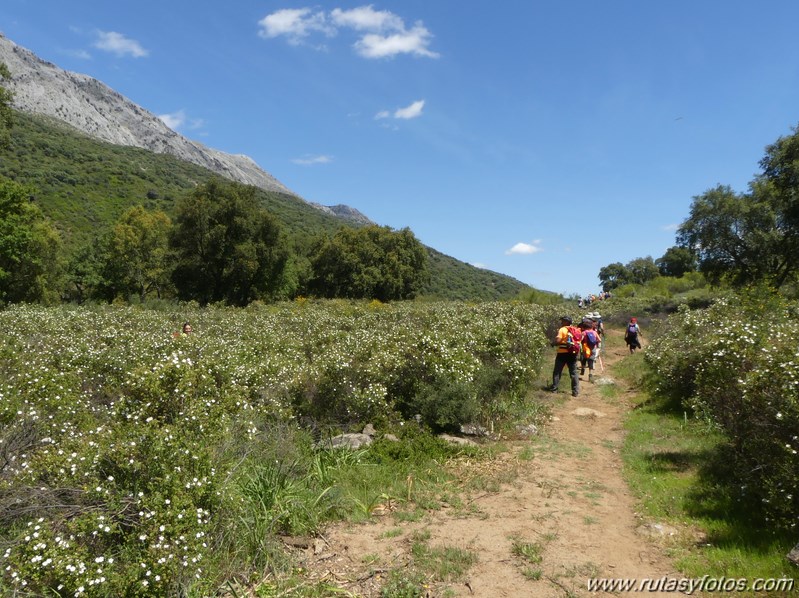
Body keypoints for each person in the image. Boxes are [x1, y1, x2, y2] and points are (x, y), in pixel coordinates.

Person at [548, 316, 580, 397]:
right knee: (573, 372)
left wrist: (553, 343)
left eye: (562, 321)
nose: (561, 323)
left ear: (566, 322)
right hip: (573, 353)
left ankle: (554, 389)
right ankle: (575, 391)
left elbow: (558, 340)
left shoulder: (562, 329)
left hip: (562, 353)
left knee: (557, 371)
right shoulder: (575, 330)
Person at [579, 318, 602, 382]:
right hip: (593, 348)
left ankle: (583, 369)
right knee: (591, 361)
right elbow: (599, 340)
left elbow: (580, 340)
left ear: (584, 327)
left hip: (585, 348)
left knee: (584, 359)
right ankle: (590, 375)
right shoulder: (594, 332)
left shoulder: (584, 332)